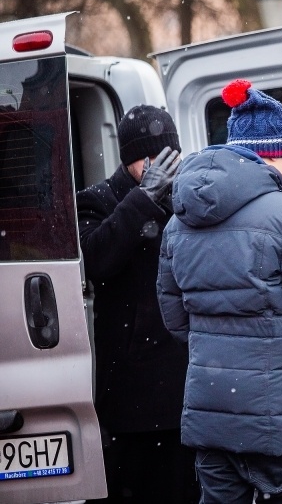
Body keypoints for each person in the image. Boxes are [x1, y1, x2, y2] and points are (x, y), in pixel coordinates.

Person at [157, 79, 282, 504]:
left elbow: (176, 321)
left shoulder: (179, 219)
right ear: (278, 152)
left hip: (211, 416)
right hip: (277, 421)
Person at [76, 105, 199, 503]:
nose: (161, 167)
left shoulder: (187, 198)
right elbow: (96, 259)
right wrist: (144, 198)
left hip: (188, 382)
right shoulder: (97, 201)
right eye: (149, 158)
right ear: (130, 159)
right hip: (134, 389)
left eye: (169, 157)